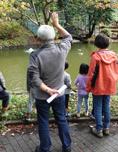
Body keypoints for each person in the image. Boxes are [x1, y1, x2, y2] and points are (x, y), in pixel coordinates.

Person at [28, 12, 72, 152]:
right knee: (61, 119)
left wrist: (47, 90)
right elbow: (68, 37)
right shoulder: (61, 50)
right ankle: (67, 146)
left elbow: (34, 78)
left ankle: (45, 148)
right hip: (59, 94)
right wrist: (57, 24)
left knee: (43, 122)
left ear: (39, 40)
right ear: (54, 37)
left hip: (42, 96)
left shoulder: (35, 55)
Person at [86, 34, 118, 138]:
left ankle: (99, 129)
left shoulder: (96, 56)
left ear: (96, 44)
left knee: (98, 107)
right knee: (106, 105)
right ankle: (106, 128)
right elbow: (116, 72)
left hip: (98, 86)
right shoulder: (114, 56)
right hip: (109, 85)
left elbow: (91, 74)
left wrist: (88, 87)